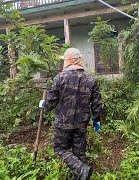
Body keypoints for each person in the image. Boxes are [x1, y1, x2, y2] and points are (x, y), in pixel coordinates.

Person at [39, 48, 103, 180]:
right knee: (79, 153)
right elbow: (97, 103)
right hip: (81, 124)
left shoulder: (60, 78)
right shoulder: (91, 80)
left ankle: (81, 169)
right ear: (79, 61)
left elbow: (51, 103)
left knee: (60, 149)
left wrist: (43, 104)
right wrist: (97, 119)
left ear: (67, 61)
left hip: (63, 124)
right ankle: (82, 172)